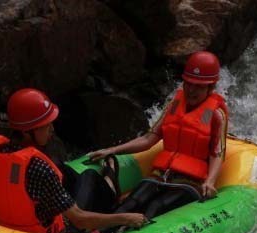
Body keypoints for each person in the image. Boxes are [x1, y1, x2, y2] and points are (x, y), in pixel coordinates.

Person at [0, 88, 146, 233]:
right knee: (89, 176)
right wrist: (126, 218)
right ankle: (110, 184)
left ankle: (106, 183)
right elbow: (80, 220)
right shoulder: (39, 168)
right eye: (46, 125)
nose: (52, 129)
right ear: (27, 131)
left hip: (15, 225)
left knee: (61, 168)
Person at [88, 51, 228, 219]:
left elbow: (217, 153)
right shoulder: (174, 105)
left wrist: (210, 182)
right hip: (160, 175)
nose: (191, 90)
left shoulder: (216, 115)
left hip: (189, 182)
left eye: (199, 86)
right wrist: (112, 150)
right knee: (131, 202)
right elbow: (148, 139)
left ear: (211, 88)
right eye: (188, 84)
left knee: (155, 207)